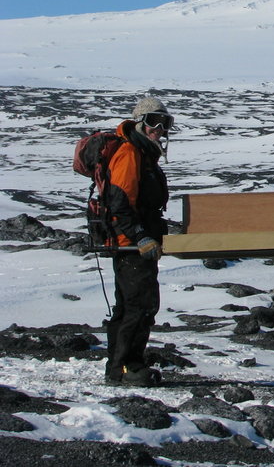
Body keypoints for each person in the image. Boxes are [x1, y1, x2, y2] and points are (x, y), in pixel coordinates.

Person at [103, 96, 172, 386]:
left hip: (138, 244)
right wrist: (141, 236)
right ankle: (126, 367)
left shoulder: (143, 154)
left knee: (131, 306)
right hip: (131, 245)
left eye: (165, 122)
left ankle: (120, 367)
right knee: (138, 306)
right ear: (140, 123)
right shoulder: (130, 154)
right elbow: (119, 203)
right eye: (154, 121)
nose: (160, 128)